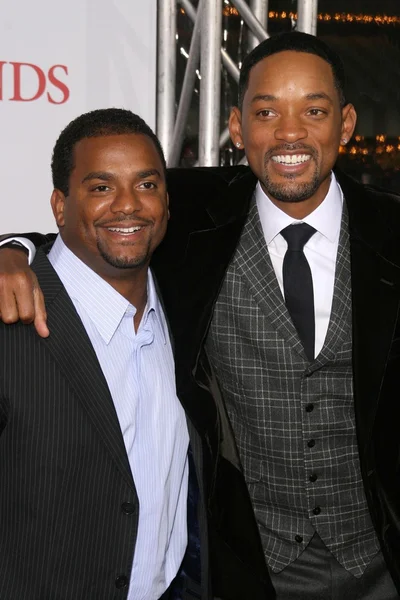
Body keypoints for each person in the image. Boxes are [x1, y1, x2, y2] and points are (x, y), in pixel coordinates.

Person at [1, 31, 400, 599]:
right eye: (267, 112)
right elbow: (98, 224)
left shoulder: (392, 232)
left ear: (347, 122)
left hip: (381, 560)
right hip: (243, 566)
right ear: (237, 129)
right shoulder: (188, 213)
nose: (290, 132)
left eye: (313, 110)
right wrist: (12, 250)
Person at [0, 108, 273, 600]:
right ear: (60, 206)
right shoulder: (11, 313)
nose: (128, 206)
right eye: (101, 187)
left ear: (168, 203)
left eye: (146, 185)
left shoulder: (187, 295)